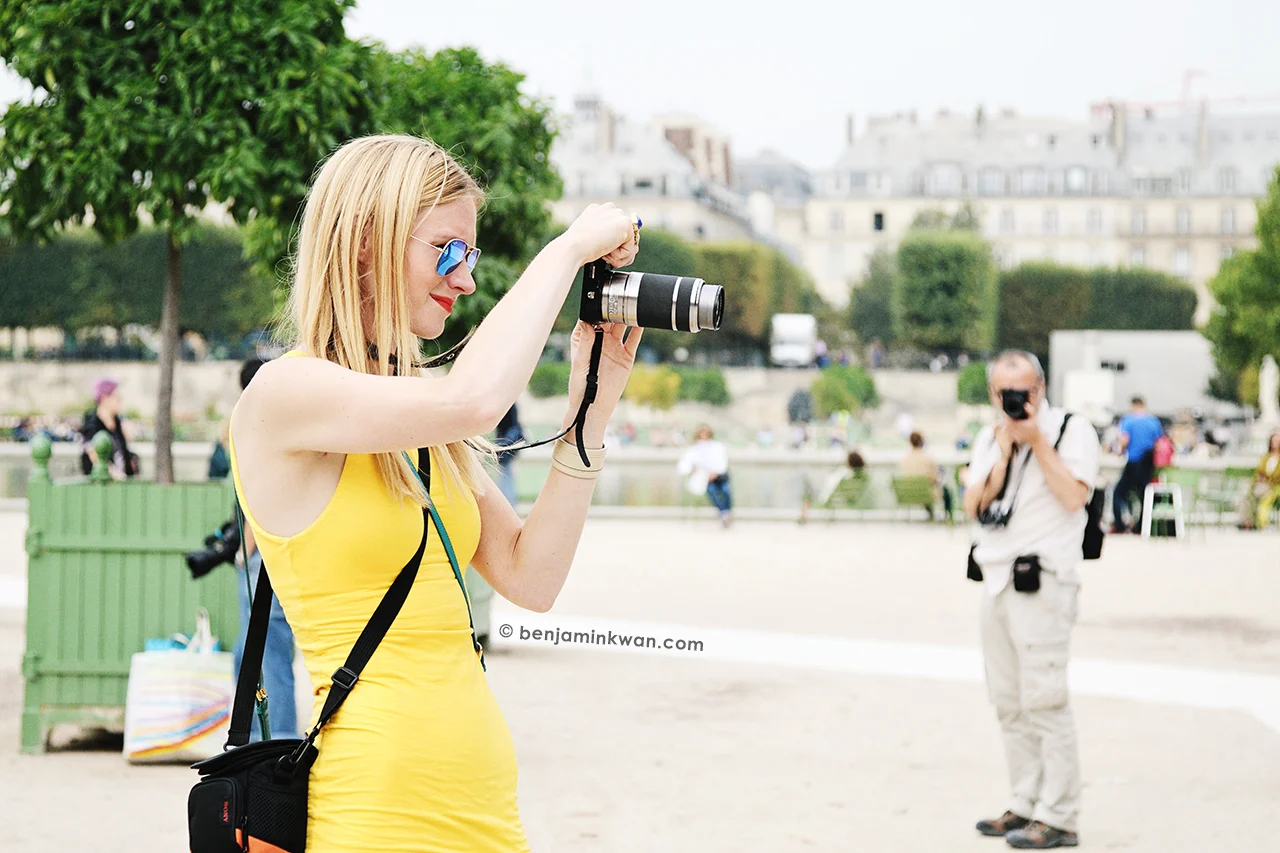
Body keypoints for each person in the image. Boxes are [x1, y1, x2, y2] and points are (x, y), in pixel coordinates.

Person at [226, 134, 641, 852]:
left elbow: (530, 575)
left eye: (470, 256)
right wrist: (567, 248)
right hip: (373, 817)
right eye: (447, 250)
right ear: (365, 241)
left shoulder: (419, 413)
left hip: (484, 818)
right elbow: (476, 397)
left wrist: (590, 410)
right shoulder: (284, 394)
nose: (465, 278)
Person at [963, 350, 1100, 850]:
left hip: (1044, 580)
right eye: (1004, 393)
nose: (1015, 400)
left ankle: (1060, 815)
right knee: (1008, 701)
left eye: (1024, 390)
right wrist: (1003, 452)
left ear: (1041, 388)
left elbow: (1073, 497)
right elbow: (972, 505)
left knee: (1045, 699)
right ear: (993, 394)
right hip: (996, 577)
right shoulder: (989, 434)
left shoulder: (1071, 430)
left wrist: (1037, 441)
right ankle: (1026, 803)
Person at [228, 355, 299, 741]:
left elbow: (259, 497)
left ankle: (279, 738)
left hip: (261, 558)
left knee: (268, 655)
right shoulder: (281, 425)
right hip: (273, 555)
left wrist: (245, 549)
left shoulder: (256, 429)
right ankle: (262, 736)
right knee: (253, 653)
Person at [1111, 396, 1163, 533]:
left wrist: (1119, 452)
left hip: (1133, 462)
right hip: (1148, 463)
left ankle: (1119, 524)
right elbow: (1159, 444)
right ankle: (1142, 526)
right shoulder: (1153, 421)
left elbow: (1124, 440)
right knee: (1143, 495)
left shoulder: (1128, 420)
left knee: (1118, 493)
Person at [79, 376, 139, 479]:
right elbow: (92, 453)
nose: (119, 400)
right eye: (116, 397)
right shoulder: (92, 423)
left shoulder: (117, 422)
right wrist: (116, 475)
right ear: (104, 398)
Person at [677, 424, 733, 527]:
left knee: (726, 492)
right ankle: (724, 514)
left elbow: (722, 462)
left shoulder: (717, 446)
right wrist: (692, 470)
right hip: (705, 479)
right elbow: (684, 466)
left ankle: (726, 513)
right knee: (713, 492)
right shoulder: (694, 450)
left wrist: (716, 472)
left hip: (719, 476)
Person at [900, 431, 954, 521]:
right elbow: (934, 478)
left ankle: (930, 515)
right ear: (922, 442)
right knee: (946, 491)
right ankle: (948, 518)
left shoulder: (904, 459)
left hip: (909, 494)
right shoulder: (928, 459)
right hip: (927, 493)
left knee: (927, 488)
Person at [1240, 431, 1280, 530]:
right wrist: (1259, 478)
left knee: (1252, 495)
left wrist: (1268, 480)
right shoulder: (1266, 457)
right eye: (1273, 441)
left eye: (1277, 441)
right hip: (1263, 485)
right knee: (1247, 496)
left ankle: (1252, 522)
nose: (1275, 443)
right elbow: (1259, 471)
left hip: (1274, 486)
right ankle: (1247, 521)